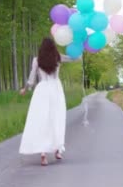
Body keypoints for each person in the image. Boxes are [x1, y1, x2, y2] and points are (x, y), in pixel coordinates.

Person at [19, 37, 80, 166]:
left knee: (42, 120)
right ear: (53, 47)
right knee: (56, 119)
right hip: (56, 90)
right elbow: (75, 58)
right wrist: (79, 48)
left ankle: (43, 154)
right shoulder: (58, 57)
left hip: (41, 91)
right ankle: (58, 150)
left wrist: (25, 88)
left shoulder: (37, 60)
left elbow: (31, 79)